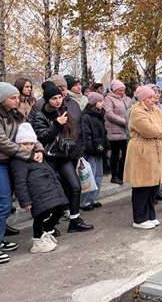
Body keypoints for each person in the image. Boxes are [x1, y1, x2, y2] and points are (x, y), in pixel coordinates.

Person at [30, 84, 93, 233]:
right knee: (53, 193)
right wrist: (57, 124)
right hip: (49, 158)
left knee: (75, 186)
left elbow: (71, 133)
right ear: (47, 100)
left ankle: (74, 220)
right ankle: (49, 225)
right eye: (54, 98)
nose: (58, 101)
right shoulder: (40, 115)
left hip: (64, 156)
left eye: (59, 97)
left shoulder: (63, 110)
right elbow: (43, 137)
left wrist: (74, 147)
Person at [0, 83, 44, 263]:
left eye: (17, 97)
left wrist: (39, 150)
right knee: (3, 202)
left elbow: (28, 133)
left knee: (1, 203)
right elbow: (2, 142)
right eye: (12, 97)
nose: (17, 100)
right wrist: (29, 155)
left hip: (11, 161)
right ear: (2, 98)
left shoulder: (16, 113)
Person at [10, 123, 68, 253]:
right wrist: (25, 201)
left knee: (59, 209)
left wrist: (58, 188)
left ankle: (46, 231)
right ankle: (37, 240)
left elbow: (50, 172)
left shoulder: (38, 155)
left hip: (50, 191)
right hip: (36, 195)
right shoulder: (18, 161)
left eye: (31, 143)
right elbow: (20, 183)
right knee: (40, 216)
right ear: (18, 144)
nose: (29, 146)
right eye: (25, 144)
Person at [124, 86, 162, 229]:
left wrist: (160, 131)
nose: (153, 100)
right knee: (142, 186)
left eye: (154, 97)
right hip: (142, 151)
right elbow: (148, 131)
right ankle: (139, 219)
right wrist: (161, 131)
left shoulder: (155, 109)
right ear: (143, 99)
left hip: (156, 151)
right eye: (150, 98)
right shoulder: (137, 111)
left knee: (154, 186)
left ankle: (150, 215)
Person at [79, 92, 108, 211]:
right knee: (90, 176)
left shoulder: (100, 115)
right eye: (101, 101)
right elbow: (86, 135)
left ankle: (93, 198)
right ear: (95, 103)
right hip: (91, 151)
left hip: (99, 149)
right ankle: (85, 201)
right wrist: (91, 148)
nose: (103, 103)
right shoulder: (86, 117)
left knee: (98, 176)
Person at [104, 79, 131, 185]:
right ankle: (114, 176)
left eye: (123, 90)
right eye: (120, 90)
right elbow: (109, 114)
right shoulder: (108, 99)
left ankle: (121, 174)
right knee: (115, 155)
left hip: (125, 132)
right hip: (114, 132)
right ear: (114, 90)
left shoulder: (126, 99)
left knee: (125, 154)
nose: (122, 92)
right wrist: (125, 122)